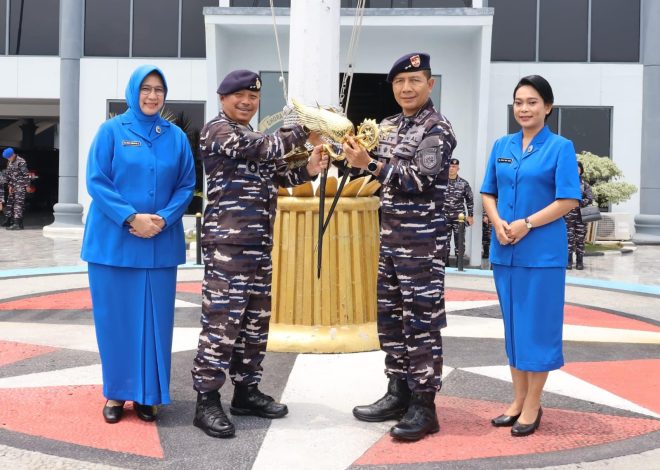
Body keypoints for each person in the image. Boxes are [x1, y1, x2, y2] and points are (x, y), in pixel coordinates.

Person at [191, 69, 328, 439]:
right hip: (228, 248)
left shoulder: (251, 135)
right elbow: (267, 150)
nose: (247, 102)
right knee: (221, 325)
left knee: (255, 324)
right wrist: (308, 126)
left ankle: (246, 392)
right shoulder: (217, 131)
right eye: (239, 96)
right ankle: (206, 400)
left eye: (253, 97)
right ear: (222, 98)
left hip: (259, 246)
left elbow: (278, 173)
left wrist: (310, 168)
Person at [343, 52, 456, 442]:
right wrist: (354, 158)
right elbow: (375, 171)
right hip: (390, 242)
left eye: (414, 81)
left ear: (430, 84)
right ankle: (398, 391)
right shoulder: (389, 125)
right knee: (391, 321)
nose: (406, 88)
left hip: (423, 246)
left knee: (421, 324)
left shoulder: (437, 129)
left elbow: (416, 180)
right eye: (399, 83)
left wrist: (370, 164)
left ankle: (425, 406)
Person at [81, 65, 196, 424]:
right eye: (145, 88)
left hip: (159, 242)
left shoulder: (175, 136)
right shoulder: (111, 131)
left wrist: (162, 218)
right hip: (114, 243)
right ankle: (116, 393)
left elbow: (186, 184)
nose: (152, 96)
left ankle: (149, 395)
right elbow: (97, 181)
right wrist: (132, 217)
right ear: (133, 91)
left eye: (159, 89)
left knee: (156, 321)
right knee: (114, 321)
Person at [480, 75, 581, 437]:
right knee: (515, 330)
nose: (524, 108)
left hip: (541, 254)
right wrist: (496, 222)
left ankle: (534, 404)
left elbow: (568, 199)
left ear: (547, 107)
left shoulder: (560, 147)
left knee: (537, 330)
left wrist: (525, 223)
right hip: (505, 252)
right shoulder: (501, 145)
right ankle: (517, 400)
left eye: (532, 102)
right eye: (519, 102)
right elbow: (488, 191)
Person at [442, 157, 473, 265]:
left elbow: (469, 200)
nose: (451, 169)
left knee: (459, 243)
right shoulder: (441, 182)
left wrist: (470, 216)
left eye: (454, 167)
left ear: (458, 168)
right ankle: (445, 267)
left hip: (458, 218)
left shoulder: (464, 183)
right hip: (444, 217)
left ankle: (459, 267)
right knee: (444, 244)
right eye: (450, 166)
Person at [564, 161, 594, 270]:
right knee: (568, 238)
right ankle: (568, 261)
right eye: (574, 168)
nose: (576, 170)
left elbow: (590, 198)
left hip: (581, 216)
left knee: (580, 239)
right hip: (568, 216)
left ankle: (579, 261)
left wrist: (579, 202)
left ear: (581, 170)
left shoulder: (585, 185)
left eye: (578, 168)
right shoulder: (566, 183)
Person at [1, 148, 29, 230]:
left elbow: (26, 175)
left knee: (18, 205)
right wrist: (10, 186)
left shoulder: (21, 161)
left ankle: (17, 224)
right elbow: (9, 174)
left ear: (13, 155)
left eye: (9, 157)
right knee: (10, 203)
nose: (8, 159)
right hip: (13, 186)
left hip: (20, 186)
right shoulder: (10, 161)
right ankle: (9, 221)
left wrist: (27, 186)